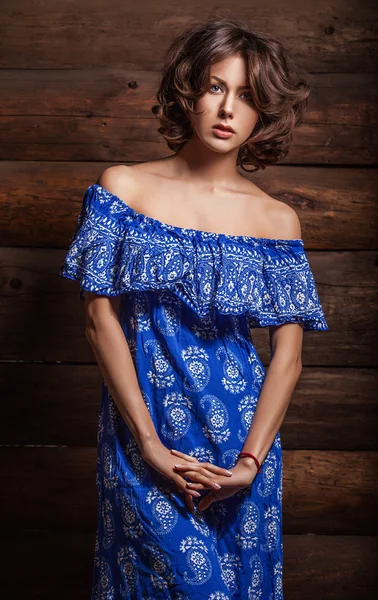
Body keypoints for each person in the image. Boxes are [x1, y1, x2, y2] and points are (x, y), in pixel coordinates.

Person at [60, 15, 328, 600]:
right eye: (216, 87)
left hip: (241, 442)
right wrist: (149, 445)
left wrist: (249, 464)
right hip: (145, 432)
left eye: (248, 96)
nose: (229, 109)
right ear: (189, 91)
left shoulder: (276, 220)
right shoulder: (124, 189)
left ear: (264, 114)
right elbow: (97, 318)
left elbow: (288, 356)